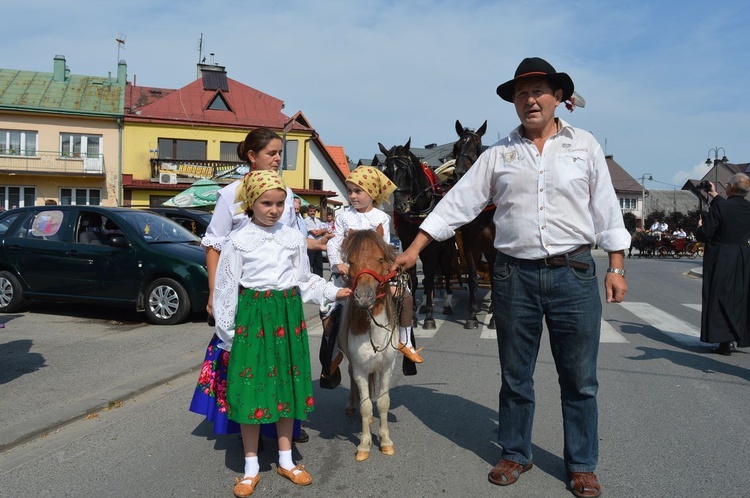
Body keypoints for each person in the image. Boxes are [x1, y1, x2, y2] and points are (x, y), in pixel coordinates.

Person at [391, 57, 629, 498]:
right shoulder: (498, 153)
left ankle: (581, 462)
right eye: (522, 93)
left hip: (573, 274)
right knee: (515, 374)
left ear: (558, 97)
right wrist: (414, 249)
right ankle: (515, 452)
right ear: (514, 103)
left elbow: (607, 210)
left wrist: (615, 266)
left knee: (580, 378)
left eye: (539, 90)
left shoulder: (584, 145)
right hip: (513, 276)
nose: (530, 99)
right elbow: (457, 203)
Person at [212, 170, 350, 497]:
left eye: (279, 203)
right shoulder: (238, 240)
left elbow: (302, 279)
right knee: (251, 389)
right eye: (266, 203)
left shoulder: (291, 238)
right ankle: (249, 467)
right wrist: (230, 335)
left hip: (287, 316)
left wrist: (332, 292)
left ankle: (286, 460)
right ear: (251, 203)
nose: (273, 209)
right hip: (253, 316)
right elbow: (226, 290)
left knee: (286, 385)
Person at [190, 127, 309, 443]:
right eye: (272, 152)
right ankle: (245, 424)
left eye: (280, 152)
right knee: (247, 362)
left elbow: (291, 241)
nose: (277, 158)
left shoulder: (287, 192)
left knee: (281, 360)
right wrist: (216, 294)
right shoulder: (231, 194)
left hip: (281, 298)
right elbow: (214, 246)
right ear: (252, 155)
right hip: (246, 294)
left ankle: (284, 422)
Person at [320, 166, 423, 388]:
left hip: (376, 274)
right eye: (350, 191)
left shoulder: (381, 218)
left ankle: (405, 341)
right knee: (327, 308)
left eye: (358, 191)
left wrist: (386, 270)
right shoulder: (344, 218)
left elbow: (384, 247)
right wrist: (338, 263)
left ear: (373, 193)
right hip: (348, 273)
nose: (353, 196)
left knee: (404, 296)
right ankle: (332, 354)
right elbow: (334, 242)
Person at [695, 174, 750, 355]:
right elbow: (729, 208)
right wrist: (713, 194)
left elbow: (705, 234)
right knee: (738, 298)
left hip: (721, 256)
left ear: (731, 188)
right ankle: (737, 336)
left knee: (719, 297)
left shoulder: (721, 207)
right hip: (742, 256)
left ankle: (724, 341)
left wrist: (700, 227)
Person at [304, 205, 328, 277]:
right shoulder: (306, 220)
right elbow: (315, 233)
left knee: (319, 265)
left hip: (319, 245)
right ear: (307, 212)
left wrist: (321, 231)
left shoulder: (317, 220)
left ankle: (320, 281)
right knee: (310, 264)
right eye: (310, 211)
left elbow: (325, 229)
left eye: (314, 211)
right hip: (311, 245)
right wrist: (321, 231)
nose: (312, 213)